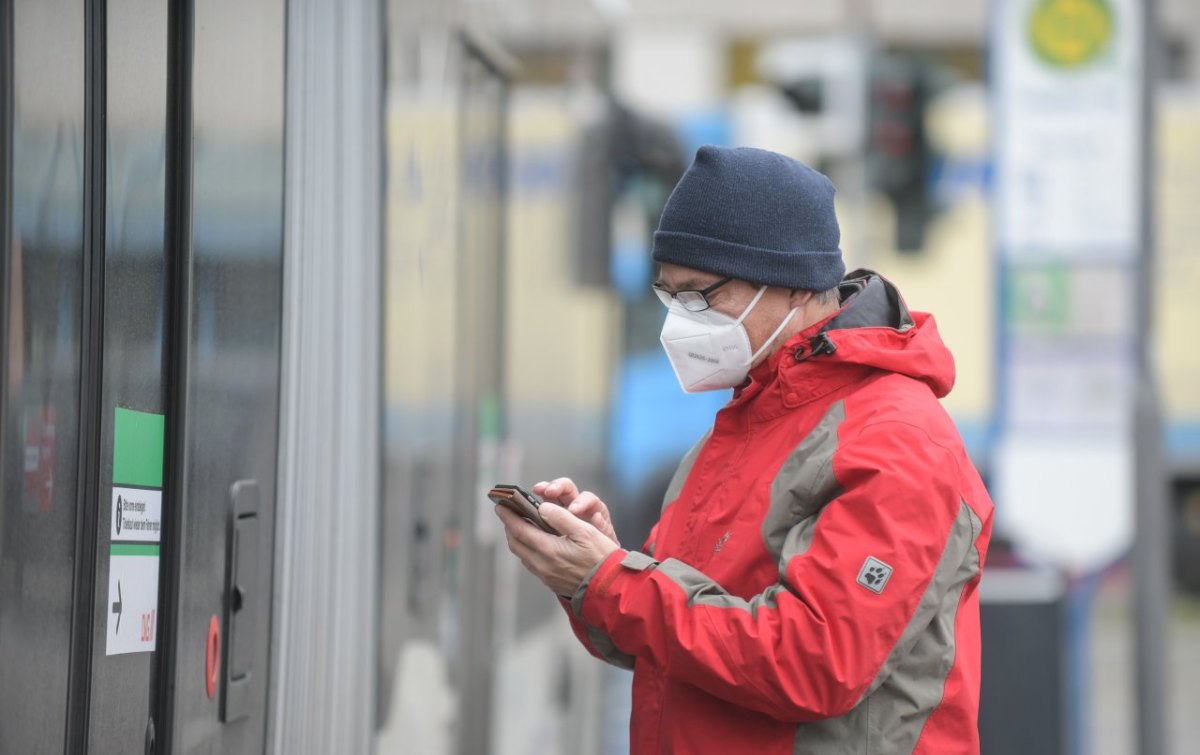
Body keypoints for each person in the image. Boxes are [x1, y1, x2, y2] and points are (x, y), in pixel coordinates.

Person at [495, 145, 994, 754]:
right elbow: (672, 639)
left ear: (790, 284)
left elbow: (815, 663)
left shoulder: (897, 442)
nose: (680, 320)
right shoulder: (749, 419)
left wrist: (614, 582)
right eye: (668, 295)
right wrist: (592, 568)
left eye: (700, 295)